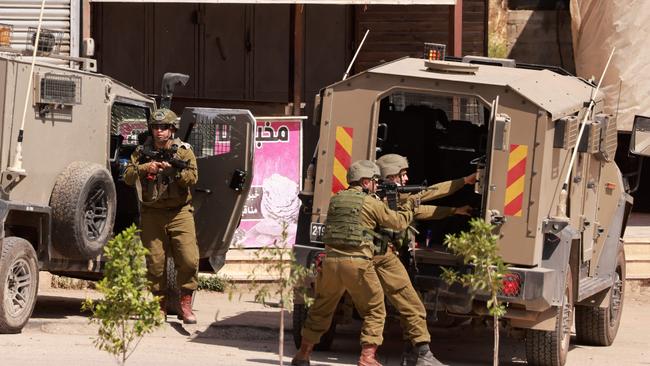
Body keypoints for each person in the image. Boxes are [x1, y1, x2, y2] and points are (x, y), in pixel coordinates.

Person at [292, 160, 416, 366]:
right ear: (366, 182)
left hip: (330, 263)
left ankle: (303, 354)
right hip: (357, 264)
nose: (377, 184)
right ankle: (367, 357)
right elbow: (398, 223)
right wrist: (410, 207)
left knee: (321, 309)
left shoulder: (336, 199)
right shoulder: (371, 202)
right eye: (375, 181)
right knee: (375, 309)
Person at [373, 153, 476, 366]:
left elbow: (420, 210)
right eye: (403, 174)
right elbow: (432, 192)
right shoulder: (383, 198)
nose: (407, 179)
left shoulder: (394, 197)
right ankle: (418, 354)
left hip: (385, 259)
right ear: (391, 177)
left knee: (405, 305)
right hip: (382, 260)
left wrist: (454, 210)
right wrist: (465, 181)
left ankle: (411, 352)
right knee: (411, 306)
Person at [123, 108, 199, 324]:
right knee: (155, 262)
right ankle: (159, 306)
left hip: (179, 212)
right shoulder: (141, 151)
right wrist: (148, 167)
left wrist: (172, 172)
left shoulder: (183, 152)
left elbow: (193, 177)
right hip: (152, 213)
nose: (159, 131)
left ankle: (185, 304)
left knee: (188, 258)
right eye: (155, 127)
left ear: (172, 129)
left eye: (164, 127)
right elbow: (128, 177)